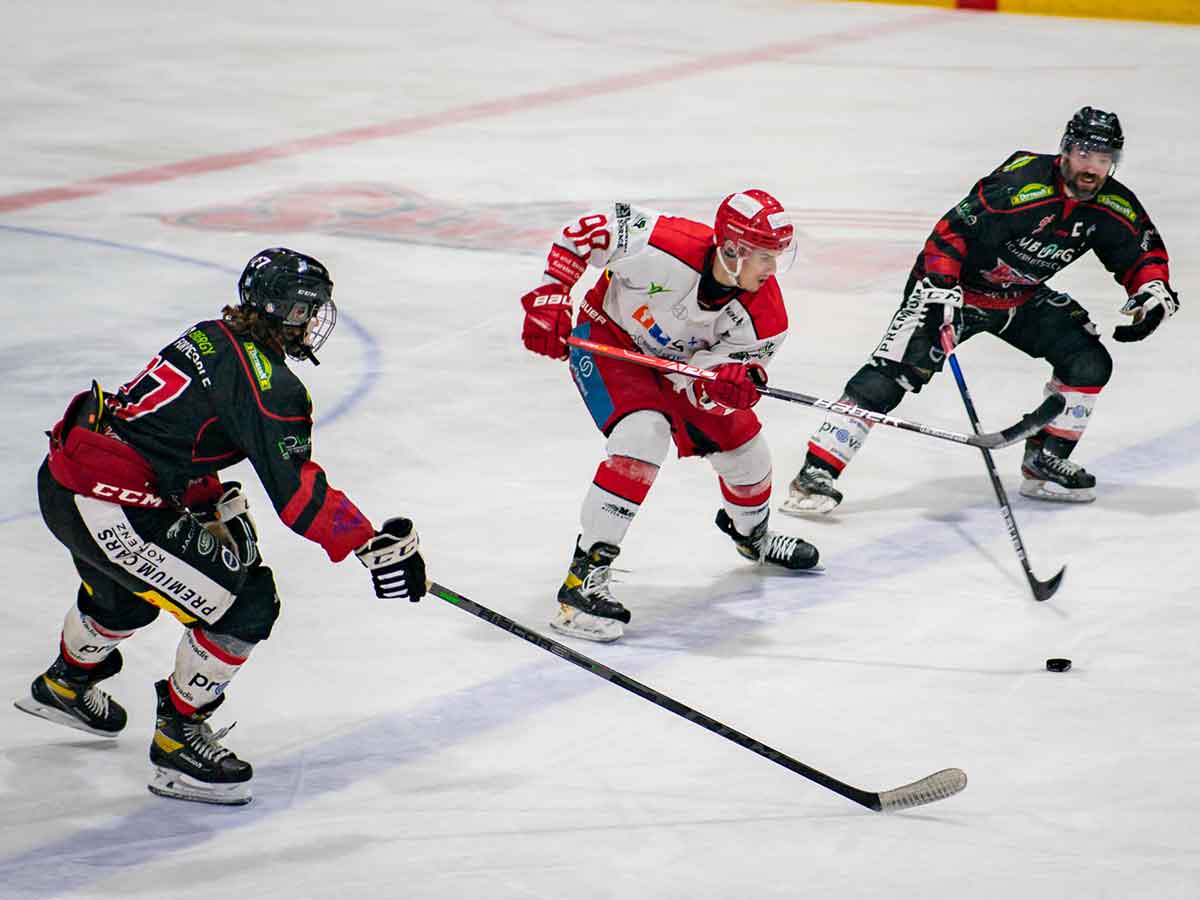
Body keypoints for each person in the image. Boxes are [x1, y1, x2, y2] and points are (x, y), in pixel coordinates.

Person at [14, 248, 427, 806]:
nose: (314, 321)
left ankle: (66, 684)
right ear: (283, 310)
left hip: (68, 481)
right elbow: (299, 496)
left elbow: (170, 430)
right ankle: (178, 741)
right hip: (109, 505)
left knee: (127, 600)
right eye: (307, 310)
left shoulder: (211, 334)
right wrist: (370, 544)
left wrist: (206, 496)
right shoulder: (275, 388)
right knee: (247, 602)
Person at [782, 106, 1180, 515]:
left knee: (1088, 361)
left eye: (1103, 158)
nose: (1092, 168)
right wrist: (939, 291)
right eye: (1084, 154)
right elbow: (950, 233)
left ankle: (1044, 460)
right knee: (895, 371)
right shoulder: (1020, 186)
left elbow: (1139, 253)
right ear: (1065, 150)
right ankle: (817, 471)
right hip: (955, 291)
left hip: (1019, 296)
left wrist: (1151, 290)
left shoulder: (1113, 204)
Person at [520, 190, 819, 644]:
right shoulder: (664, 242)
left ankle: (751, 536)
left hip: (679, 370)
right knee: (643, 434)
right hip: (611, 339)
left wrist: (724, 390)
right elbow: (583, 232)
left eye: (778, 256)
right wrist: (551, 292)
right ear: (733, 249)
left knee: (748, 456)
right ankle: (582, 582)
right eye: (764, 256)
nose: (773, 268)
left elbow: (701, 391)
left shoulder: (766, 318)